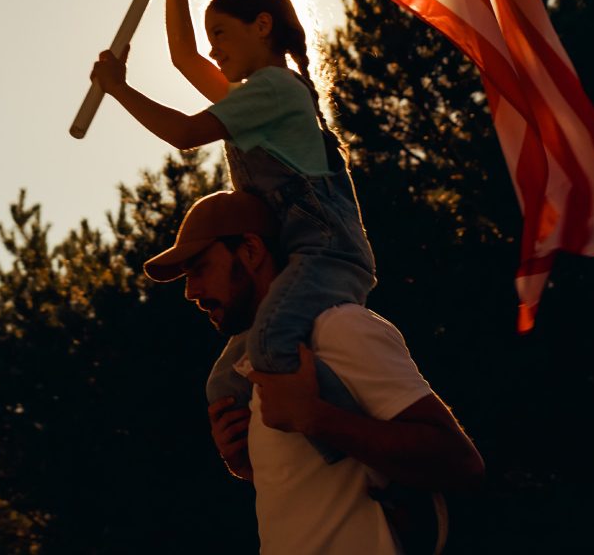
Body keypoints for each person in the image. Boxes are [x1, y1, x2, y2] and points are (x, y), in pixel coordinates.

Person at [90, 0, 376, 457]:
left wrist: (118, 88)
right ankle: (256, 462)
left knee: (267, 345)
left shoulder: (274, 90)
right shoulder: (257, 98)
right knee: (225, 380)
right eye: (211, 36)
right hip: (297, 261)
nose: (214, 48)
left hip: (325, 255)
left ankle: (362, 447)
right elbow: (183, 57)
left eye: (221, 33)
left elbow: (182, 133)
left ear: (262, 26)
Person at [143, 190, 484, 555]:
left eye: (200, 269)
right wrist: (247, 466)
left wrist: (316, 418)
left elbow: (460, 463)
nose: (191, 292)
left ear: (251, 251)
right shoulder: (256, 368)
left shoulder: (340, 327)